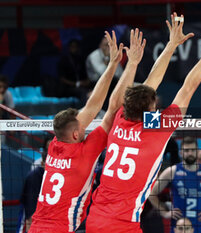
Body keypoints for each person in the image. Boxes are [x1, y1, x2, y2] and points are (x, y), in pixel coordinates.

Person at [86, 13, 201, 233]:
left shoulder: (120, 118)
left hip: (95, 219)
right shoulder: (158, 127)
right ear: (151, 110)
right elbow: (187, 88)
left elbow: (148, 86)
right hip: (123, 225)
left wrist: (172, 44)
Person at [28, 28, 145, 233]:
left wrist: (111, 64)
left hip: (37, 226)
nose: (86, 122)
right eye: (81, 126)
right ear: (75, 134)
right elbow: (109, 110)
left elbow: (91, 107)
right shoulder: (84, 153)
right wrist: (129, 64)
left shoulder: (55, 146)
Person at [149, 136, 201, 233]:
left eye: (193, 150)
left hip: (200, 226)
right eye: (186, 150)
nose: (190, 153)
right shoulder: (172, 171)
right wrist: (165, 213)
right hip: (178, 228)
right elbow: (151, 194)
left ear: (197, 152)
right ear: (181, 153)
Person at [19, 137, 53, 232]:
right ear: (42, 164)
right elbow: (30, 215)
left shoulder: (60, 173)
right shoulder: (34, 177)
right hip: (32, 209)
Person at [57, 39, 90, 105]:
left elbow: (86, 76)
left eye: (76, 47)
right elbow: (62, 79)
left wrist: (86, 82)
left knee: (93, 90)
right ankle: (86, 111)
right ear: (69, 48)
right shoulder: (64, 61)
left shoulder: (81, 60)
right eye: (72, 47)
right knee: (82, 92)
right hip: (67, 88)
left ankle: (98, 111)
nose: (74, 49)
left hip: (81, 86)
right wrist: (76, 84)